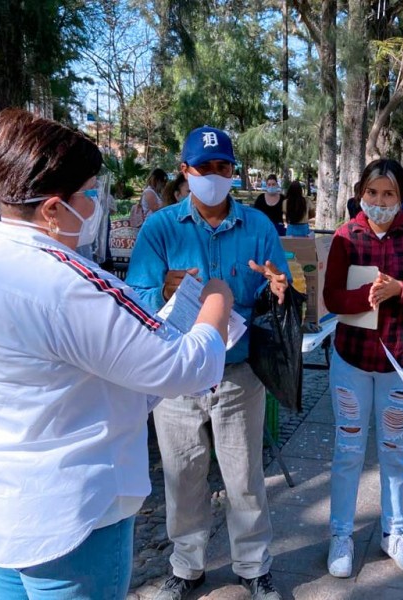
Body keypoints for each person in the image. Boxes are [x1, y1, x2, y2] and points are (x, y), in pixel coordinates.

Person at [0, 108, 232, 599]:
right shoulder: (70, 284)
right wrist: (217, 300)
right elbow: (185, 367)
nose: (98, 203)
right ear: (53, 209)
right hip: (68, 518)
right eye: (92, 193)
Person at [126, 126, 289, 600]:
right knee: (182, 476)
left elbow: (279, 288)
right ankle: (186, 565)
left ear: (233, 171)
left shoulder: (258, 227)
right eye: (204, 167)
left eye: (223, 167)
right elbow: (135, 297)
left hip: (238, 373)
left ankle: (254, 565)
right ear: (185, 171)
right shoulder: (160, 228)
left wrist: (278, 288)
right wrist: (164, 289)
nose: (214, 175)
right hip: (176, 376)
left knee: (244, 477)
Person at [322, 158, 403, 579]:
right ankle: (341, 534)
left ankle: (394, 532)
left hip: (401, 361)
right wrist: (368, 295)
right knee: (348, 451)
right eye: (372, 192)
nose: (379, 201)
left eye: (389, 193)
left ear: (402, 196)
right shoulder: (346, 236)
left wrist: (401, 290)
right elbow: (332, 299)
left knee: (394, 450)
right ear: (361, 193)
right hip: (351, 362)